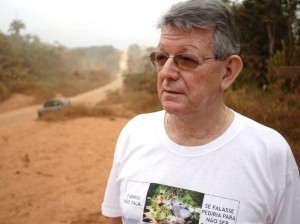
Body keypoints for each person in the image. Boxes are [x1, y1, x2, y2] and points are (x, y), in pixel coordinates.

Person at [101, 0, 300, 223]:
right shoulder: (134, 133)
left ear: (227, 72)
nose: (166, 72)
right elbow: (117, 218)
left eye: (186, 60)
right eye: (160, 58)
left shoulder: (270, 153)